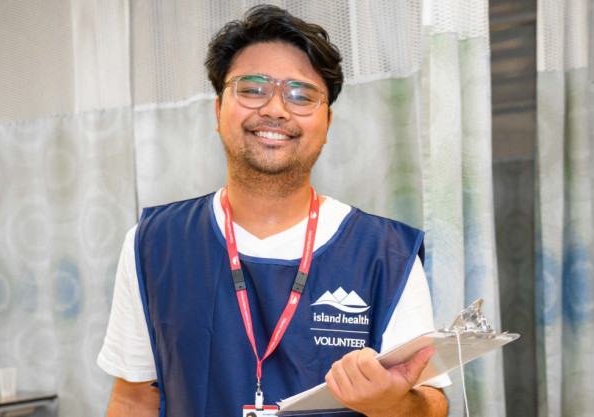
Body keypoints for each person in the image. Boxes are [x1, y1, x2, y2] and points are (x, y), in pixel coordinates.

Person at [97, 5, 449, 417]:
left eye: (301, 95)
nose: (275, 110)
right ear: (217, 110)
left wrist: (393, 403)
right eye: (252, 89)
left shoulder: (387, 254)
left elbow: (432, 405)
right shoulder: (154, 243)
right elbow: (134, 398)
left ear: (328, 123)